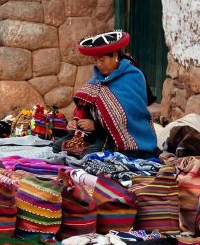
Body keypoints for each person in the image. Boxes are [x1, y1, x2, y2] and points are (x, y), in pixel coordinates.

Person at [53, 31, 159, 159]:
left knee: (89, 157)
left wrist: (96, 125)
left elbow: (128, 116)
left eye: (102, 60)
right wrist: (76, 120)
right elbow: (87, 103)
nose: (98, 64)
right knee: (58, 147)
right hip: (98, 134)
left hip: (123, 138)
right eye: (96, 60)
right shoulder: (98, 77)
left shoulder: (133, 76)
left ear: (114, 56)